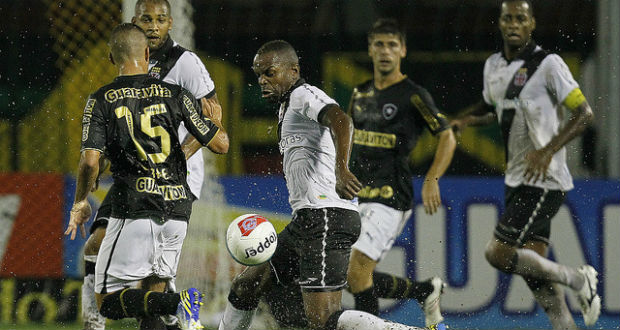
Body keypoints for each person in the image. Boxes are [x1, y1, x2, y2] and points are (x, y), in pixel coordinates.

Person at [218, 40, 439, 330]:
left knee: (323, 319)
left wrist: (341, 170)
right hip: (307, 221)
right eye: (258, 74)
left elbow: (341, 120)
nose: (262, 81)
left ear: (292, 70)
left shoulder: (303, 95)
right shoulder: (287, 107)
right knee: (247, 285)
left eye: (269, 73)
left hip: (326, 217)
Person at [65, 23, 228, 330]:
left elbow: (89, 162)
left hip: (135, 207)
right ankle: (173, 310)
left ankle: (177, 304)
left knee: (108, 303)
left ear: (111, 59)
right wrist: (214, 123)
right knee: (153, 290)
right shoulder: (175, 94)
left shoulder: (103, 99)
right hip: (178, 210)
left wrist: (80, 202)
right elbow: (221, 144)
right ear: (147, 53)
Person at [450, 1, 599, 328]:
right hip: (516, 179)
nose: (513, 24)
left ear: (532, 24)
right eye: (507, 18)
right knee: (534, 272)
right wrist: (467, 121)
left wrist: (546, 151)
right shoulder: (492, 66)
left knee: (497, 253)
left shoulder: (548, 64)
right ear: (500, 23)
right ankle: (565, 326)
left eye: (521, 18)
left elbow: (584, 113)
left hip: (544, 179)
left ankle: (577, 279)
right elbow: (499, 109)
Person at [346, 18, 456, 327]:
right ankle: (425, 291)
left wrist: (432, 178)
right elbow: (350, 142)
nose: (385, 51)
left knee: (357, 271)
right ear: (370, 49)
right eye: (379, 44)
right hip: (355, 195)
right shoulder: (360, 93)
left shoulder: (413, 95)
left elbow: (447, 135)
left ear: (403, 51)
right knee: (348, 274)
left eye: (392, 45)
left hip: (391, 196)